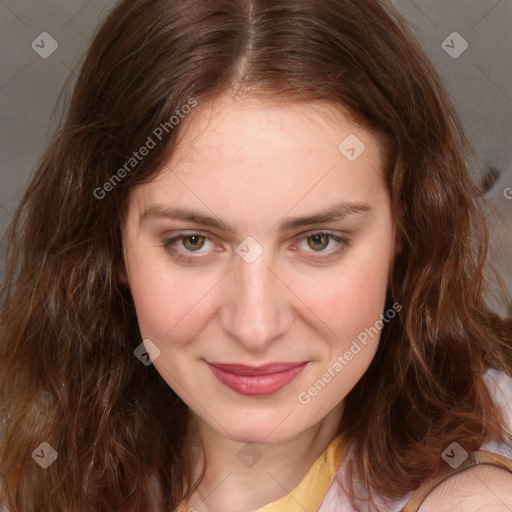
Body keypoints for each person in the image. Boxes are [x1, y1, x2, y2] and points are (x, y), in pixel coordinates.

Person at [1, 0, 512, 511]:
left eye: (318, 240)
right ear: (109, 242)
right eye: (193, 242)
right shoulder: (29, 466)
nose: (255, 327)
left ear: (408, 225)